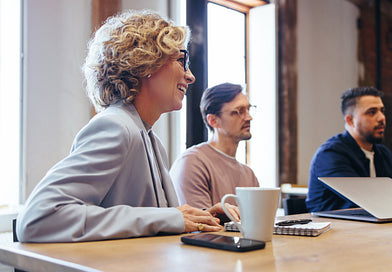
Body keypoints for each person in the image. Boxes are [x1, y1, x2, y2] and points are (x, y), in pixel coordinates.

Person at [16, 10, 238, 243]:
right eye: (181, 60)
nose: (190, 75)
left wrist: (202, 218)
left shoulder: (149, 138)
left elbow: (153, 221)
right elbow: (37, 218)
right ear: (146, 62)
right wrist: (168, 218)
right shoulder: (115, 126)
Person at [170, 83, 259, 208]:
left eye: (248, 109)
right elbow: (199, 224)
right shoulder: (192, 163)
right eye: (239, 111)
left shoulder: (249, 175)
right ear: (213, 120)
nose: (249, 117)